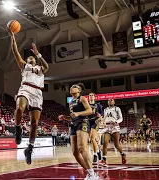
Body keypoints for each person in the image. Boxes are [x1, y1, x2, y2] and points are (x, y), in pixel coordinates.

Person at [7, 24, 49, 165]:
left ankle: (29, 148)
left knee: (35, 124)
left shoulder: (40, 68)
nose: (30, 58)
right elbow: (15, 51)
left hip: (37, 92)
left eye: (32, 58)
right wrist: (12, 37)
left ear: (35, 60)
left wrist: (38, 54)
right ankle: (18, 128)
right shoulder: (24, 66)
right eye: (29, 57)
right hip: (25, 88)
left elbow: (47, 66)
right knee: (20, 108)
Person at [59, 83, 99, 180]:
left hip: (83, 122)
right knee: (75, 153)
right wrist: (65, 117)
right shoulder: (70, 102)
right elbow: (72, 117)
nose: (72, 87)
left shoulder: (82, 98)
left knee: (82, 148)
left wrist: (78, 113)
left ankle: (92, 174)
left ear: (79, 90)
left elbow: (89, 111)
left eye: (75, 87)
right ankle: (89, 173)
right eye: (71, 87)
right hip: (73, 124)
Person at [99, 98, 126, 167]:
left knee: (116, 145)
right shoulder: (105, 109)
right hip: (107, 127)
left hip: (115, 127)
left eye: (111, 100)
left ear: (114, 102)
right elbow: (104, 118)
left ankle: (122, 154)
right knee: (105, 143)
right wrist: (101, 121)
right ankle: (104, 159)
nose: (110, 101)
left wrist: (116, 122)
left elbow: (121, 118)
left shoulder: (117, 108)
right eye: (108, 100)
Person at [87, 92, 103, 166]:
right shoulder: (86, 105)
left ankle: (95, 155)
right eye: (90, 95)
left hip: (95, 122)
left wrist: (100, 115)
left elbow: (102, 113)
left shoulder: (98, 105)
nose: (91, 96)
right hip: (88, 122)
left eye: (92, 95)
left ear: (94, 97)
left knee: (93, 138)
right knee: (91, 139)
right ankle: (98, 150)